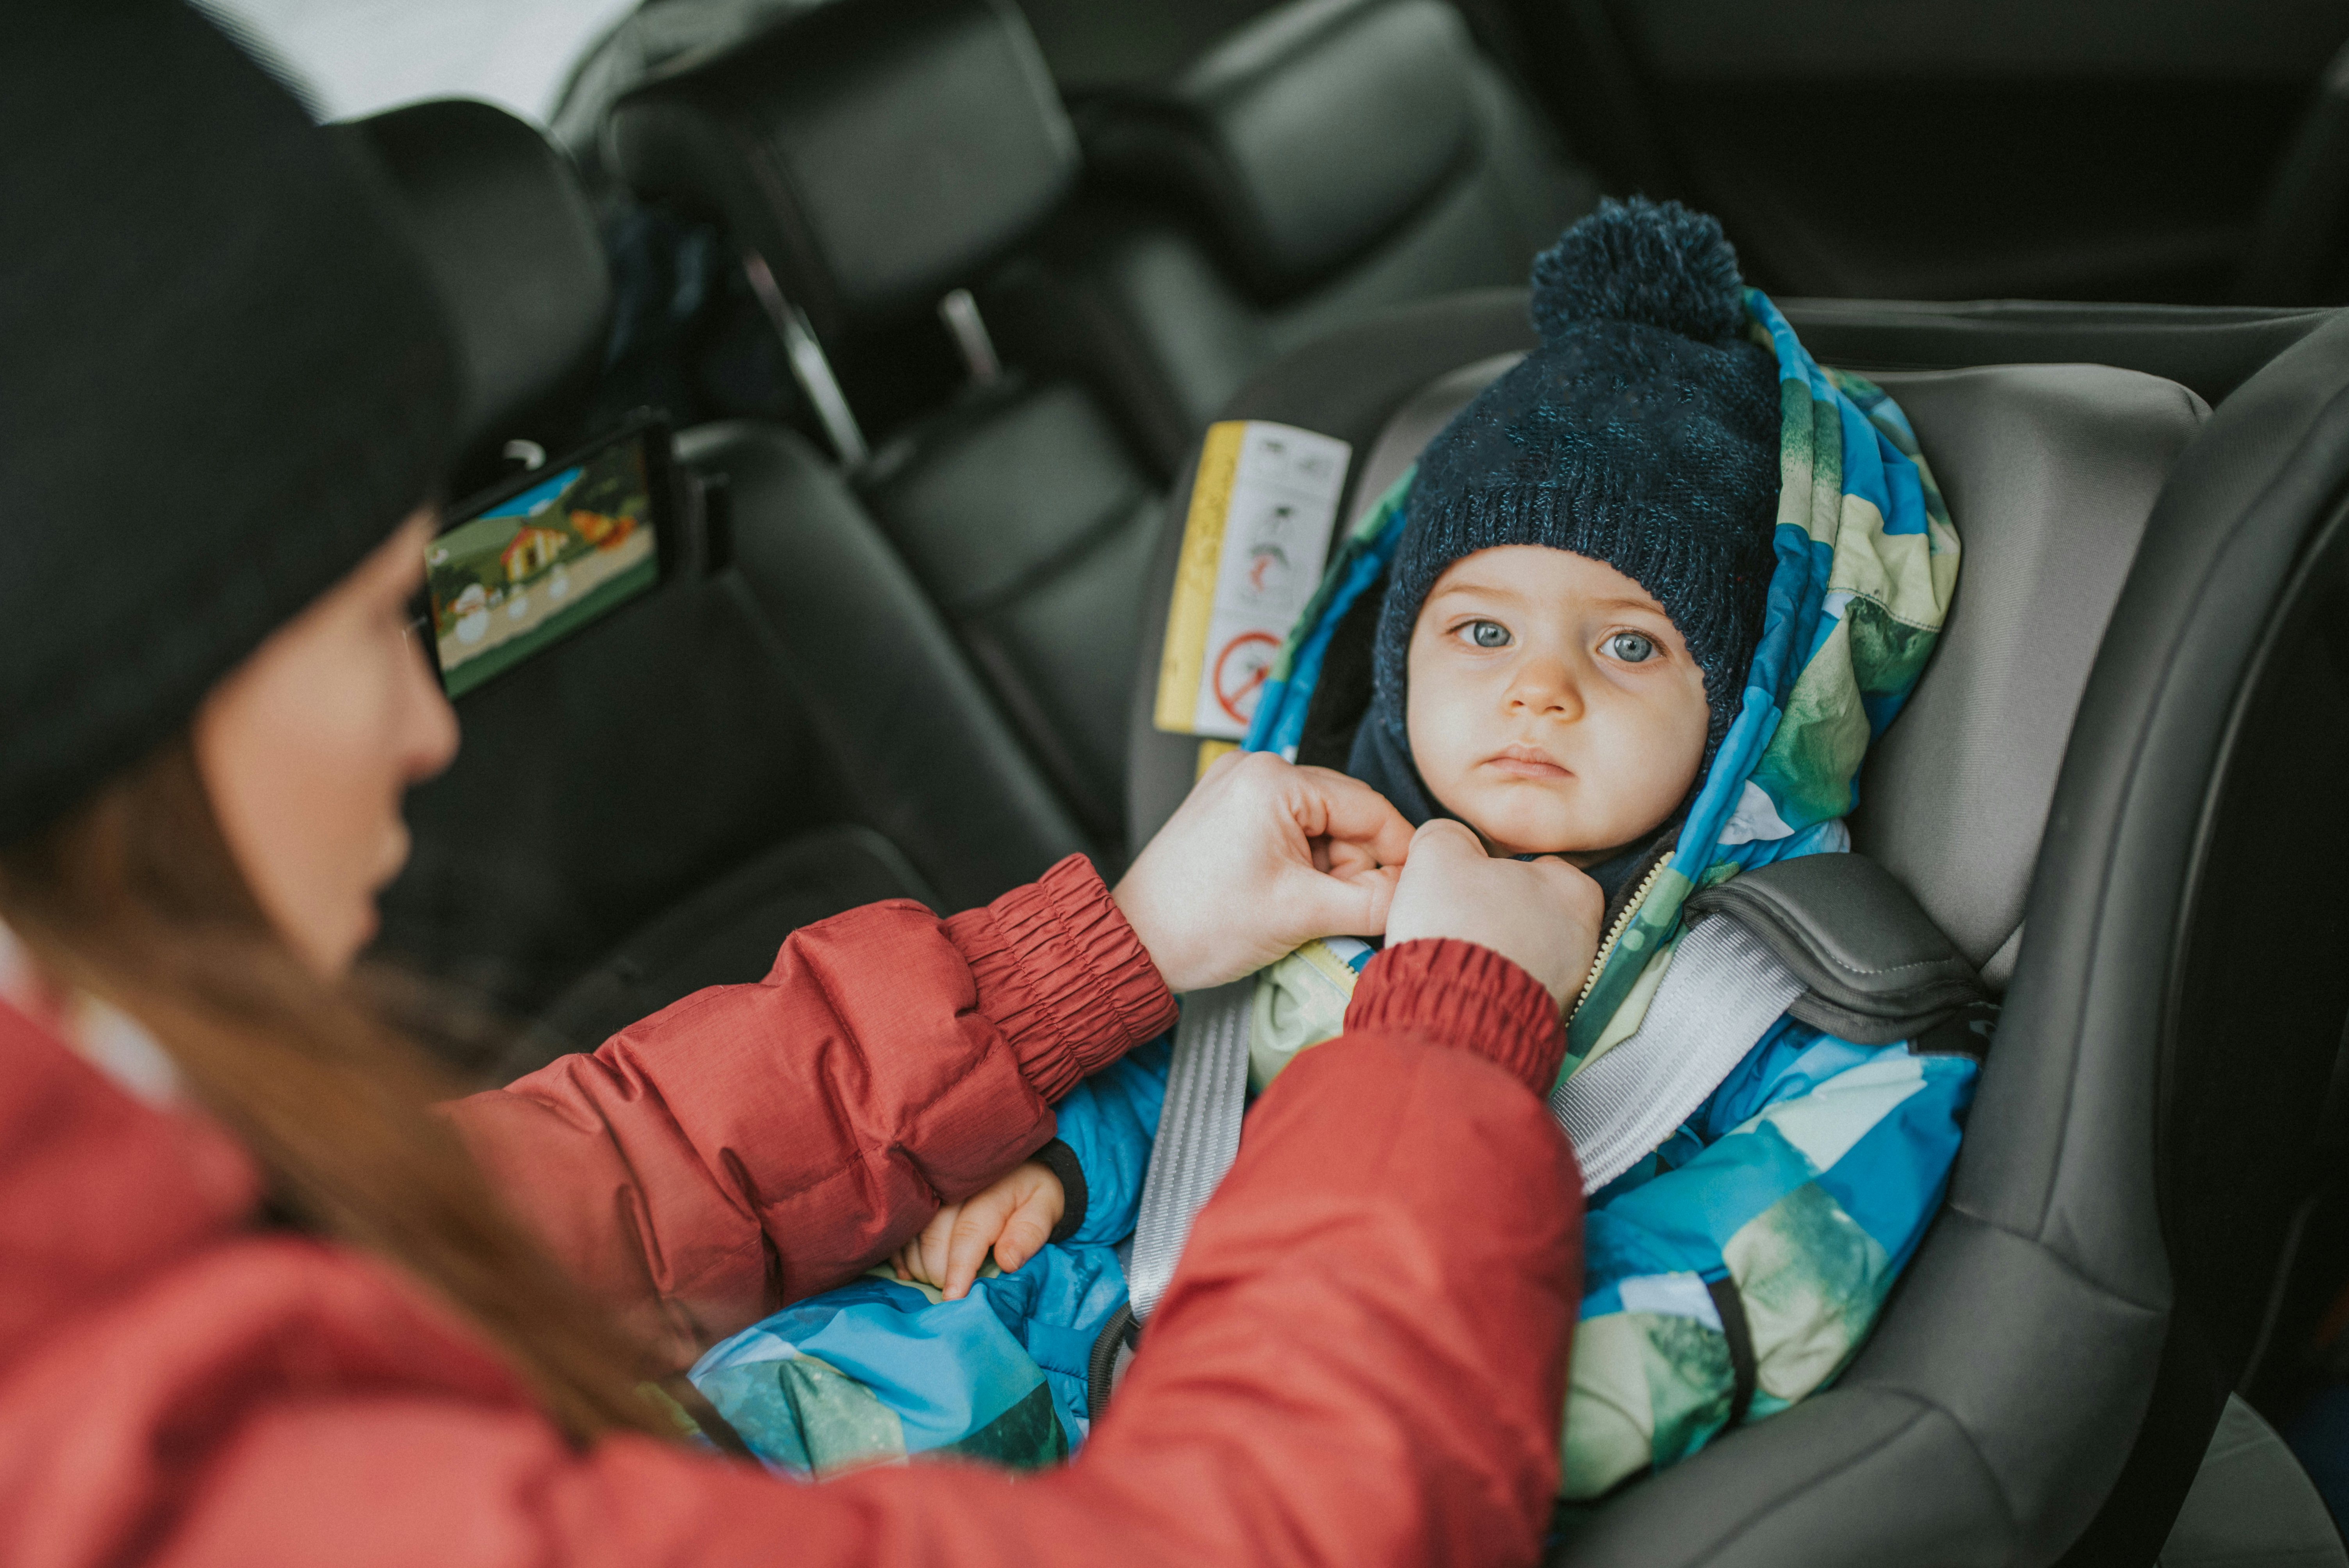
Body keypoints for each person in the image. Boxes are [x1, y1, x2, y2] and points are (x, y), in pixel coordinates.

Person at [0, 5, 1593, 1564]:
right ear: (135, 704)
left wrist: (1092, 955)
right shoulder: (176, 1482)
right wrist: (1444, 1035)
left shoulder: (100, 1197)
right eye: (372, 626)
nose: (429, 726)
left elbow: (585, 1188)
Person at [710, 200, 1983, 1502]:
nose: (1539, 690)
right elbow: (1186, 1073)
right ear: (1397, 656)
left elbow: (1718, 1295)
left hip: (1358, 1429)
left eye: (1631, 644)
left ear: (1748, 700)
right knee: (715, 1448)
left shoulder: (1810, 1018)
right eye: (1482, 634)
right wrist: (1060, 1170)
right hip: (1072, 1341)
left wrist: (1323, 1383)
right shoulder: (1317, 885)